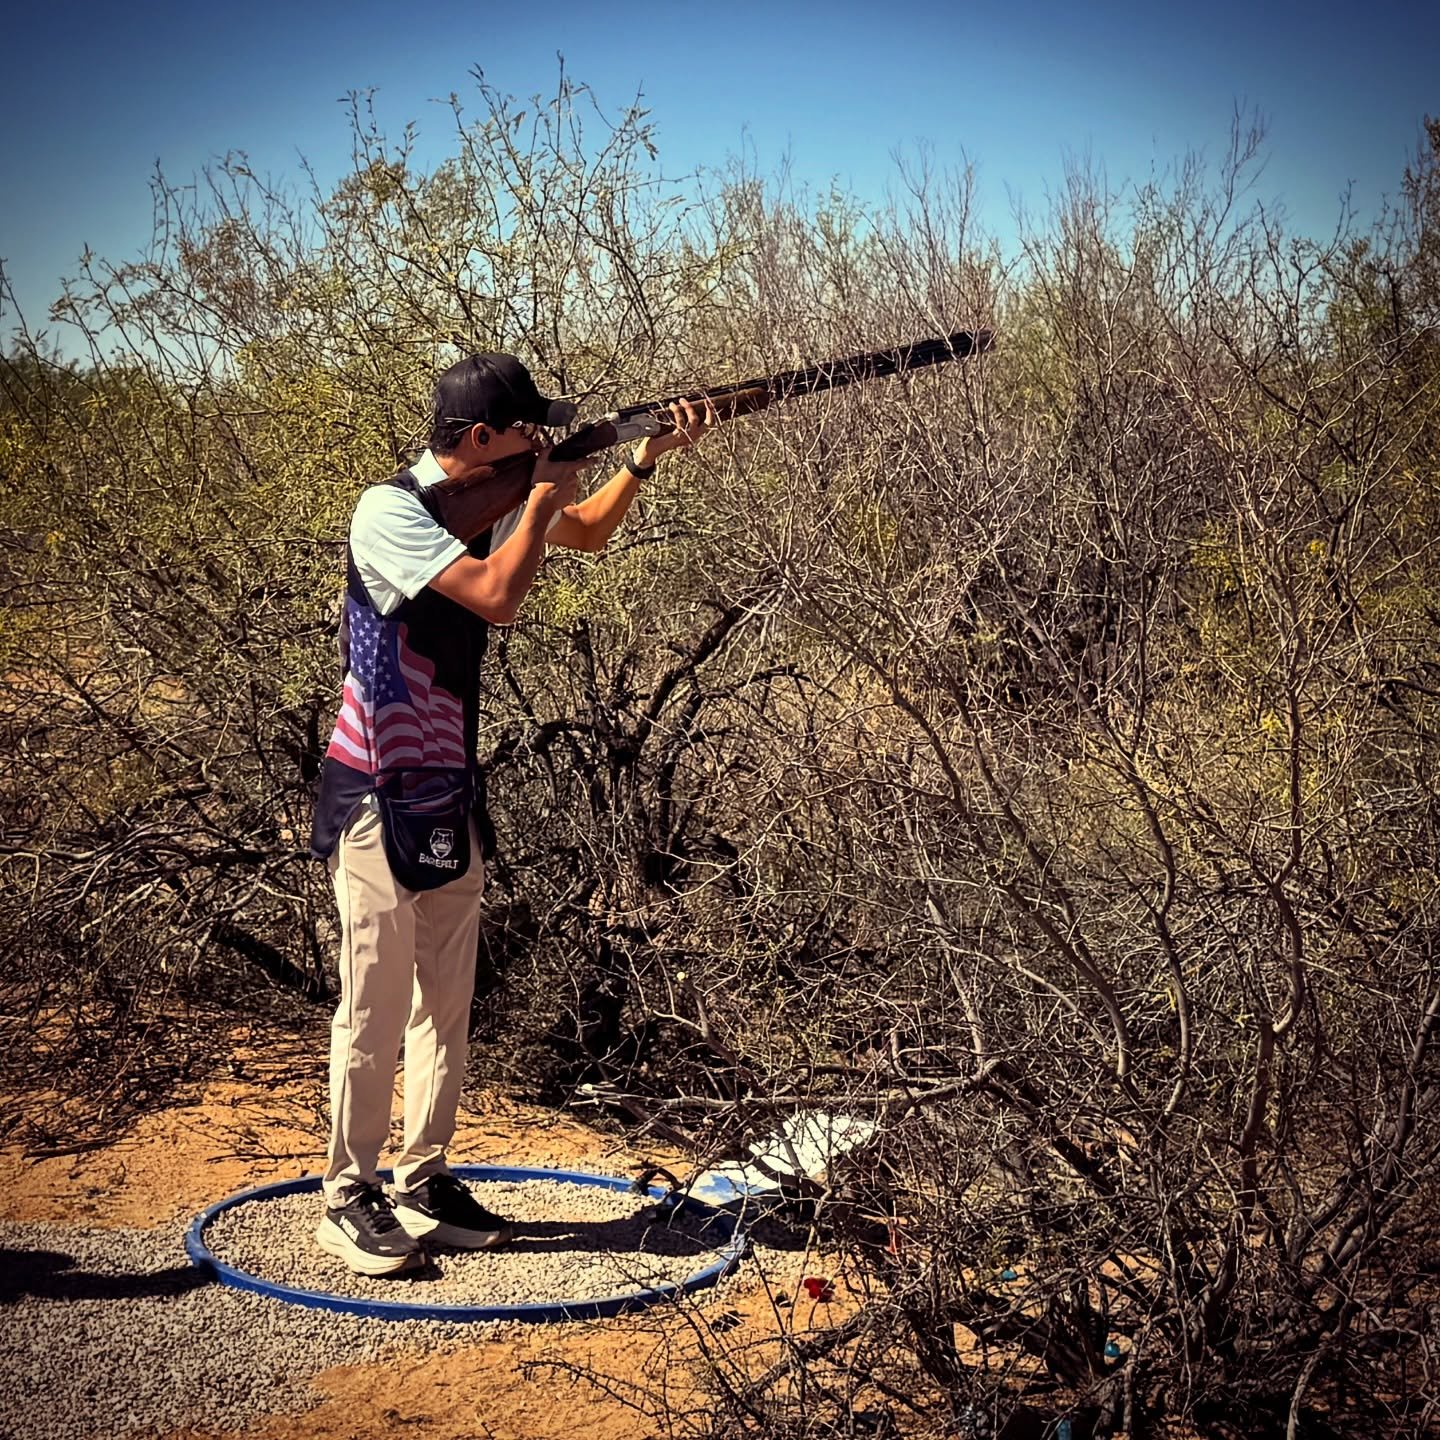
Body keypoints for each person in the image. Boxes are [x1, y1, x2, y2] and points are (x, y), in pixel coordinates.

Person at [308, 353, 714, 1275]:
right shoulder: (390, 512)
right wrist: (538, 495)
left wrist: (645, 459)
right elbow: (497, 598)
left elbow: (590, 535)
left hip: (450, 784)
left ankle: (422, 1176)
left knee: (443, 1004)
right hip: (376, 788)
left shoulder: (495, 495)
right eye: (527, 428)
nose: (540, 437)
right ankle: (347, 1192)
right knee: (371, 1005)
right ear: (482, 439)